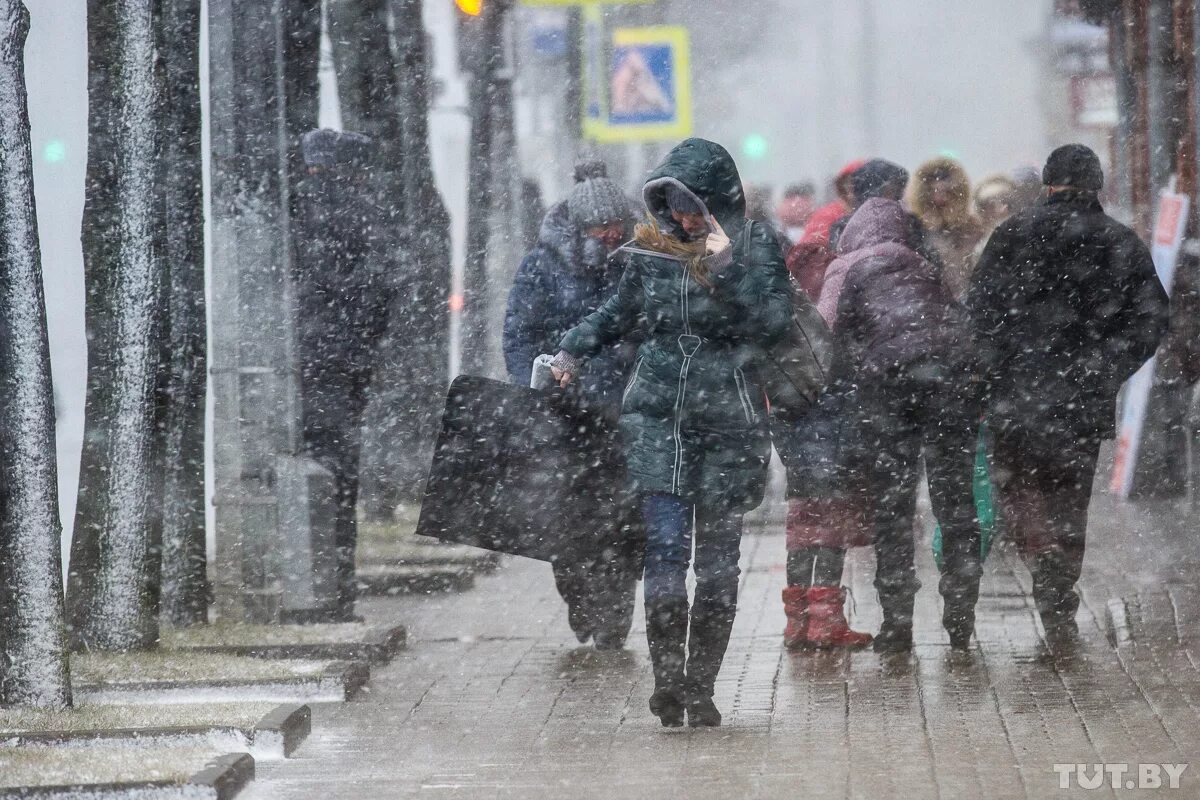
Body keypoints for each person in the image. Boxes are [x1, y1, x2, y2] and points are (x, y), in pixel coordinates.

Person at [553, 138, 793, 727]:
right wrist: (570, 351)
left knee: (716, 563)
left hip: (729, 420)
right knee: (663, 550)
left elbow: (771, 321)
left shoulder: (755, 245)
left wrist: (724, 266)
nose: (684, 219)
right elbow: (619, 312)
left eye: (693, 206)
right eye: (673, 206)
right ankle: (667, 682)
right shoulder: (651, 251)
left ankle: (701, 685)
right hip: (658, 415)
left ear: (718, 202)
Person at [968, 144, 1169, 644]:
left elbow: (978, 313)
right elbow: (1152, 318)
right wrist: (1107, 368)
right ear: (1097, 184)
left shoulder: (1012, 235)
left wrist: (993, 372)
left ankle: (1041, 554)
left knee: (1019, 487)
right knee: (1070, 497)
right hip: (1081, 400)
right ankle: (1060, 576)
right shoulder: (1118, 240)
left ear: (1047, 184)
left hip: (1014, 396)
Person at [828, 197, 982, 652]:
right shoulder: (923, 265)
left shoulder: (852, 269)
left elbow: (832, 338)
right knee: (955, 502)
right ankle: (960, 613)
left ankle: (897, 623)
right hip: (950, 385)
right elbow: (956, 323)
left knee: (893, 510)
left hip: (888, 392)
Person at [773, 158, 910, 651]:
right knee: (827, 508)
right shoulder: (844, 253)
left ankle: (797, 618)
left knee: (802, 509)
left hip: (791, 394)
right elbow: (839, 329)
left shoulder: (800, 253)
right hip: (832, 395)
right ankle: (825, 616)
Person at [502, 159, 640, 651]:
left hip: (627, 413)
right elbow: (519, 334)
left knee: (624, 518)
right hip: (566, 416)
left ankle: (615, 611)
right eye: (602, 226)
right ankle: (581, 599)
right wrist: (535, 381)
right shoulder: (544, 264)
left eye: (618, 224)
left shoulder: (640, 259)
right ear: (581, 225)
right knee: (568, 520)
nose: (611, 234)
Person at [294, 128, 395, 623]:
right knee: (339, 477)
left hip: (296, 368)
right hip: (342, 370)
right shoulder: (364, 212)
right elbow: (382, 289)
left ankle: (306, 586)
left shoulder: (289, 210)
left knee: (303, 472)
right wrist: (360, 343)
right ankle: (335, 589)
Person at [786, 160, 866, 300]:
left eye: (859, 185)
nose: (852, 190)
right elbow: (807, 253)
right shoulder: (827, 216)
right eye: (848, 184)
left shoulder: (874, 214)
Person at [910, 157, 985, 300]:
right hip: (932, 299)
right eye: (934, 191)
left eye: (946, 191)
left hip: (968, 296)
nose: (940, 197)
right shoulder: (915, 227)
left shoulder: (972, 226)